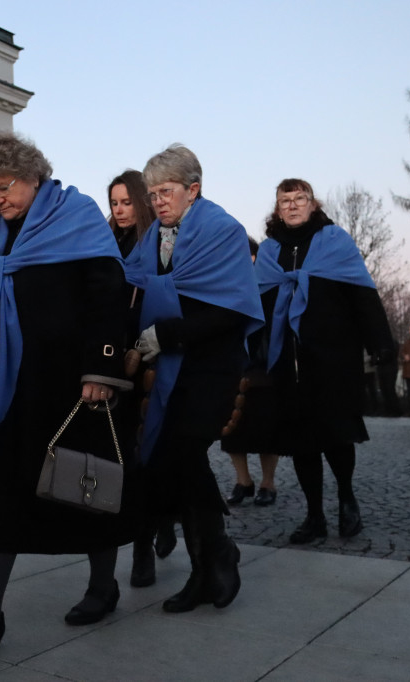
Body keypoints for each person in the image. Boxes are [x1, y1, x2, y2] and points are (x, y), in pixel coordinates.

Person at [0, 132, 133, 649]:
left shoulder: (79, 214)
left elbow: (107, 295)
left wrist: (100, 370)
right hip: (10, 387)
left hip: (72, 386)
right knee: (4, 491)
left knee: (85, 485)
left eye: (4, 188)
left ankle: (103, 585)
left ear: (33, 176)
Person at [125, 144, 264, 613]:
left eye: (166, 192)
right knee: (180, 464)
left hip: (211, 367)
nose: (157, 201)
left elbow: (230, 309)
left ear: (193, 189)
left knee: (185, 456)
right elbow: (137, 289)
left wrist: (166, 334)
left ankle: (215, 559)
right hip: (168, 371)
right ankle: (209, 564)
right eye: (152, 194)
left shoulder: (222, 230)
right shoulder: (152, 240)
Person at [254, 178, 395, 544]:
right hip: (288, 361)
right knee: (301, 443)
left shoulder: (335, 242)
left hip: (333, 358)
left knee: (336, 436)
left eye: (300, 199)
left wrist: (380, 342)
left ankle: (347, 498)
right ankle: (314, 514)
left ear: (313, 204)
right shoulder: (270, 252)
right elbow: (258, 304)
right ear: (277, 208)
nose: (293, 205)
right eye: (285, 201)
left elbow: (362, 292)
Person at [106, 169, 177, 588]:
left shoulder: (158, 246)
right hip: (114, 362)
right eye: (114, 203)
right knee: (125, 459)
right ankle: (142, 533)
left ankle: (150, 537)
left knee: (150, 455)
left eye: (127, 201)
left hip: (152, 358)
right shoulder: (102, 245)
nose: (120, 210)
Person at [221, 236, 280, 508]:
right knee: (232, 428)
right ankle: (243, 480)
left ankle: (268, 482)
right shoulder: (225, 282)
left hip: (263, 364)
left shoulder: (269, 285)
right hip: (232, 364)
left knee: (267, 428)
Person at [108, 169, 155, 258]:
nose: (118, 211)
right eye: (114, 203)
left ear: (142, 203)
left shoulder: (159, 239)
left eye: (127, 203)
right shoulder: (106, 240)